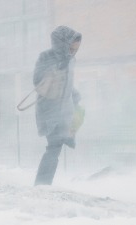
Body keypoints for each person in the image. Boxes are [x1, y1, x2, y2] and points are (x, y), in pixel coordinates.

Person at [33, 26, 82, 186]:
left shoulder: (70, 60)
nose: (74, 51)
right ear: (62, 43)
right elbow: (38, 82)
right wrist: (54, 69)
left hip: (64, 111)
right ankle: (42, 184)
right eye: (71, 47)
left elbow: (67, 85)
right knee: (54, 147)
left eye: (76, 48)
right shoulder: (46, 57)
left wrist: (74, 95)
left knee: (56, 146)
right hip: (49, 111)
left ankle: (43, 183)